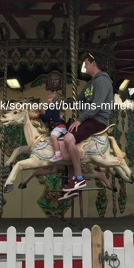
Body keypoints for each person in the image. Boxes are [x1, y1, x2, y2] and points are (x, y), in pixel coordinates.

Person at [60, 52, 113, 197]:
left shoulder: (102, 81)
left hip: (97, 121)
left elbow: (96, 106)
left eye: (86, 64)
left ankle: (78, 178)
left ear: (94, 63)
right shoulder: (91, 83)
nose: (84, 66)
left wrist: (80, 119)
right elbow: (79, 101)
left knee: (68, 138)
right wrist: (60, 102)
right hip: (89, 120)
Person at [30, 90, 68, 163]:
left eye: (51, 97)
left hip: (59, 126)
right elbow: (47, 118)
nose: (48, 96)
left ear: (55, 100)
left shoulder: (53, 106)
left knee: (53, 136)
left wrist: (36, 115)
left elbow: (47, 117)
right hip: (55, 127)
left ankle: (58, 154)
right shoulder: (50, 107)